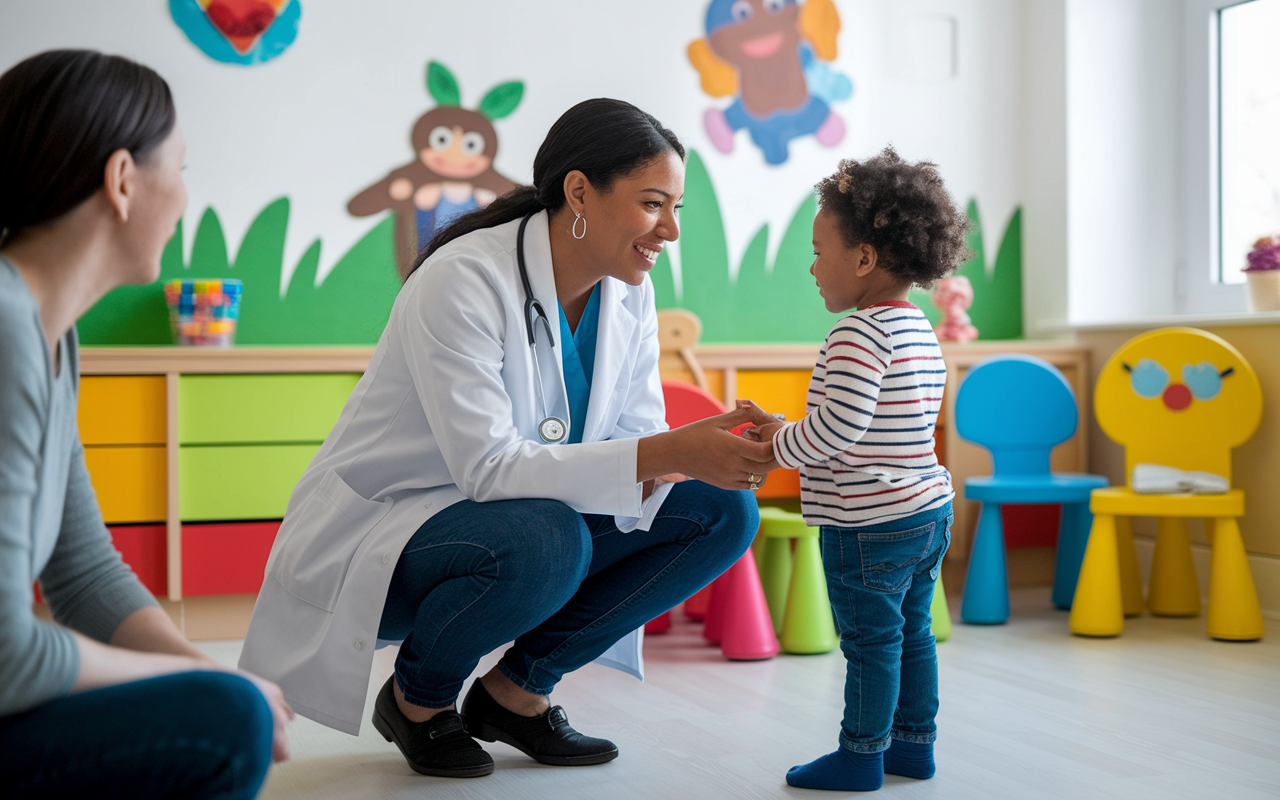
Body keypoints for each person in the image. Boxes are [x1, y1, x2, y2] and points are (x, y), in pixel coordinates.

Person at [239, 98, 780, 779]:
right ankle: (417, 703)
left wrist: (707, 452)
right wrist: (672, 451)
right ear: (580, 191)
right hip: (397, 538)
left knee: (720, 510)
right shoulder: (462, 278)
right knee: (549, 537)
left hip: (522, 527)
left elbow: (636, 438)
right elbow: (489, 471)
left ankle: (516, 695)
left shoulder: (629, 290)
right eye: (652, 204)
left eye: (677, 208)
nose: (669, 229)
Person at [0, 50, 293, 799]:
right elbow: (5, 652)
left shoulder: (47, 332)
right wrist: (199, 687)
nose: (186, 197)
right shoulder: (5, 328)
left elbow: (82, 569)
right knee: (222, 722)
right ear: (122, 180)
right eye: (183, 169)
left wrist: (202, 667)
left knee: (222, 701)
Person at [744, 147, 969, 791]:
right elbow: (881, 425)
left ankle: (861, 755)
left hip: (867, 523)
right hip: (926, 511)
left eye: (820, 251)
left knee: (871, 644)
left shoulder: (856, 334)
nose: (812, 267)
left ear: (864, 258)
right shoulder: (918, 328)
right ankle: (913, 747)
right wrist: (787, 429)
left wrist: (774, 446)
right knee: (913, 633)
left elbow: (836, 432)